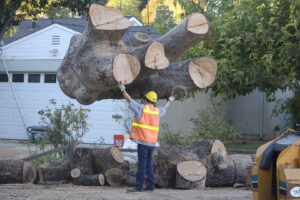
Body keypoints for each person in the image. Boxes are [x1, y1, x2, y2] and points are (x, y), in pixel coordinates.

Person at [118, 83, 174, 192]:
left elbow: (129, 99)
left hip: (143, 142)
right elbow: (165, 108)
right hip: (152, 143)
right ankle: (150, 186)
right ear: (154, 101)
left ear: (146, 100)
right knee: (148, 164)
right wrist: (170, 101)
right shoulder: (157, 111)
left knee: (142, 164)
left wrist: (122, 89)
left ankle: (138, 186)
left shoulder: (141, 108)